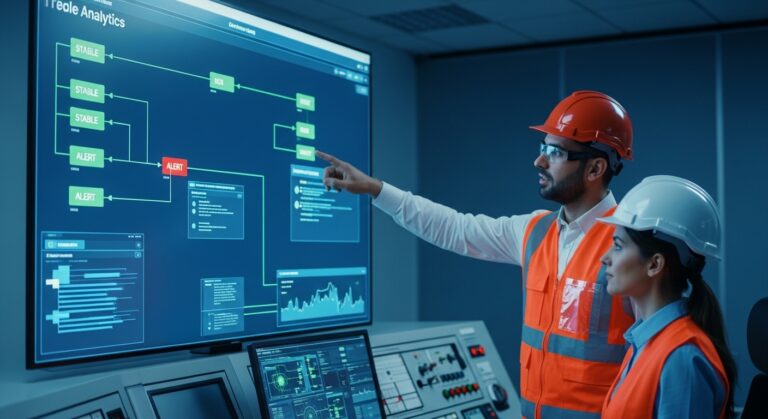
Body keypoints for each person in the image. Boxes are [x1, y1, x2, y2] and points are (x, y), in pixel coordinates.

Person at [317, 91, 637, 418]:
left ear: (596, 168)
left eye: (554, 152)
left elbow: (657, 364)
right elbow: (456, 228)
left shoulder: (631, 246)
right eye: (543, 148)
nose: (539, 161)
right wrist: (375, 189)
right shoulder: (534, 232)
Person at [599, 176, 736, 418]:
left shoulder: (681, 358)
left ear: (655, 264)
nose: (605, 258)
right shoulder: (645, 340)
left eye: (618, 246)